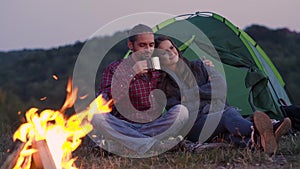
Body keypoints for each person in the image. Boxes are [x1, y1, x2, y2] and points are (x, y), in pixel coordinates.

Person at [154, 35, 292, 155]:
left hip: (217, 114)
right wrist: (207, 90)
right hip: (195, 127)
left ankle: (258, 142)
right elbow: (183, 111)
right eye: (165, 52)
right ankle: (267, 130)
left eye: (171, 48)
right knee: (227, 114)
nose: (171, 52)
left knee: (229, 135)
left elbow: (220, 88)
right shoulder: (165, 86)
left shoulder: (198, 66)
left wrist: (191, 93)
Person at [91, 24, 189, 156]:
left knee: (181, 112)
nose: (148, 50)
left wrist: (205, 68)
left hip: (154, 126)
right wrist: (132, 74)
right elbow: (104, 101)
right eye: (142, 45)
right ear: (131, 46)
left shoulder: (158, 68)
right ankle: (151, 145)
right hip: (124, 126)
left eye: (151, 45)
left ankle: (127, 144)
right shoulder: (115, 68)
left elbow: (181, 68)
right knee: (97, 116)